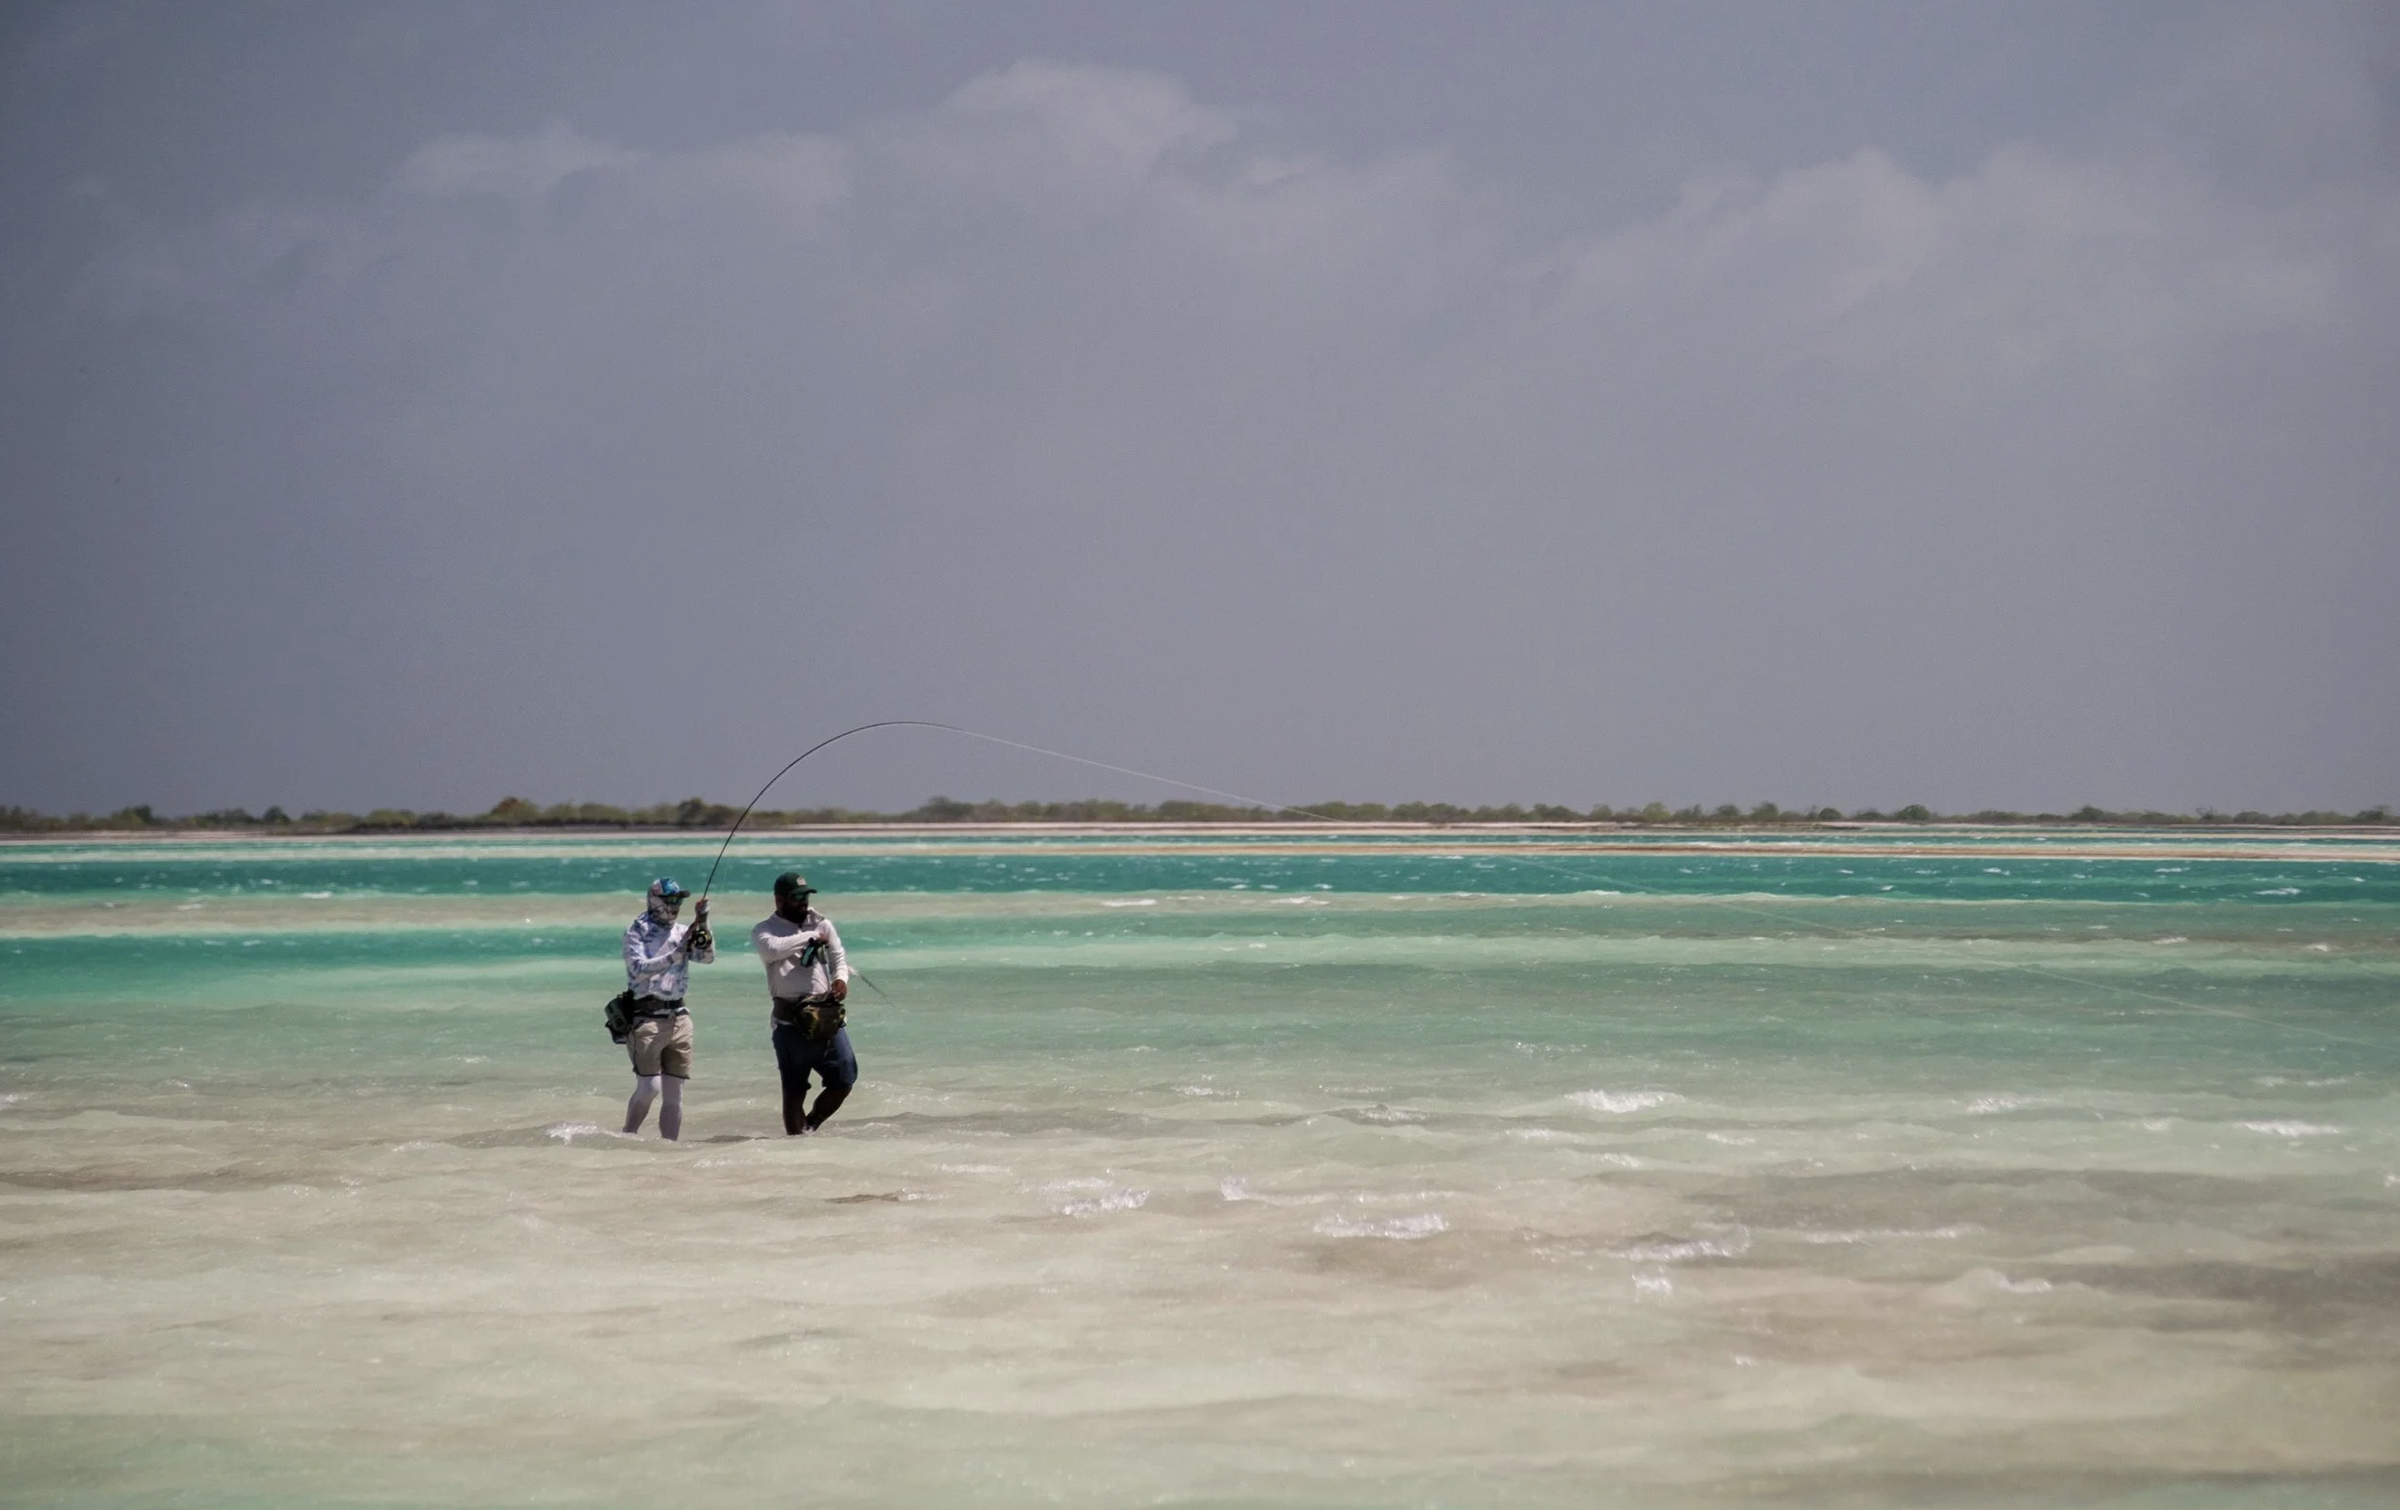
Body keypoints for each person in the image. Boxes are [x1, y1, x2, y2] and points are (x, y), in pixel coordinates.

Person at [752, 872, 853, 1135]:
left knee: (844, 1080)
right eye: (796, 898)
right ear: (779, 900)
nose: (803, 902)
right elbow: (773, 950)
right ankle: (795, 1144)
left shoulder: (822, 924)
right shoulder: (763, 930)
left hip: (826, 1015)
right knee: (794, 1090)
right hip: (789, 1021)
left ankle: (810, 1125)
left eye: (806, 896)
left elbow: (838, 957)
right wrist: (808, 939)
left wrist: (841, 980)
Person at [621, 877, 714, 1140]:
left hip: (680, 1017)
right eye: (670, 900)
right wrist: (676, 953)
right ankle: (628, 1135)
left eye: (679, 900)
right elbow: (638, 969)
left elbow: (706, 958)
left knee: (675, 1095)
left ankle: (670, 1149)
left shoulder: (682, 931)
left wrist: (703, 923)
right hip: (646, 1018)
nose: (675, 905)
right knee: (650, 1087)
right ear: (655, 900)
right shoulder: (636, 931)